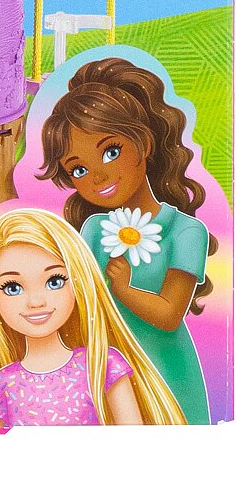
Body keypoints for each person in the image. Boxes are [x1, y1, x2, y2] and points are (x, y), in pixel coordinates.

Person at [37, 57, 214, 423]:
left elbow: (169, 315)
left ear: (144, 143)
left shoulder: (185, 231)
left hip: (165, 371)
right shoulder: (94, 229)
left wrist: (123, 289)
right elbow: (78, 306)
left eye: (111, 151)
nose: (98, 176)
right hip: (105, 372)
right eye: (78, 169)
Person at [0, 208, 185, 427]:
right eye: (13, 288)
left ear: (77, 282)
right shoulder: (0, 385)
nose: (36, 301)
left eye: (54, 281)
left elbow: (134, 442)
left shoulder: (102, 364)